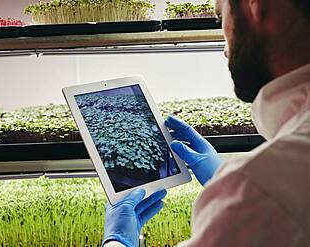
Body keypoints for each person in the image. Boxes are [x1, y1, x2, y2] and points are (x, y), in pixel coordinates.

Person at [102, 0, 310, 246]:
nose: (224, 49)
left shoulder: (261, 194)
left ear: (256, 6)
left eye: (220, 17)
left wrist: (117, 242)